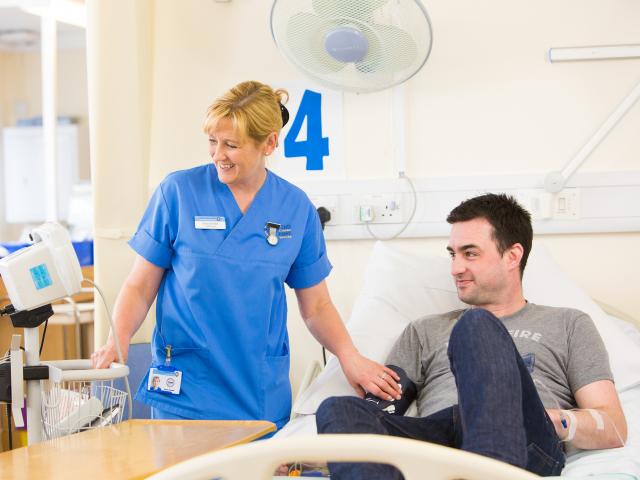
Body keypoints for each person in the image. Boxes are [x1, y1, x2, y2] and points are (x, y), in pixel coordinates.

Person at [91, 80, 401, 427]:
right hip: (187, 387)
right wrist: (116, 340)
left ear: (269, 142)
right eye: (212, 141)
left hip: (258, 391)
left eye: (231, 145)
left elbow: (316, 306)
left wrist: (349, 357)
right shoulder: (177, 193)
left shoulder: (295, 209)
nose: (217, 155)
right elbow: (140, 286)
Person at [316, 193, 627, 478]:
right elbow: (381, 410)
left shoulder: (568, 323)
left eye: (470, 254)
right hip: (439, 438)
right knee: (337, 409)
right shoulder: (423, 330)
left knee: (476, 325)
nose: (455, 267)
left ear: (512, 256)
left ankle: (489, 470)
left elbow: (612, 425)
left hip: (523, 436)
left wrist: (556, 420)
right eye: (452, 254)